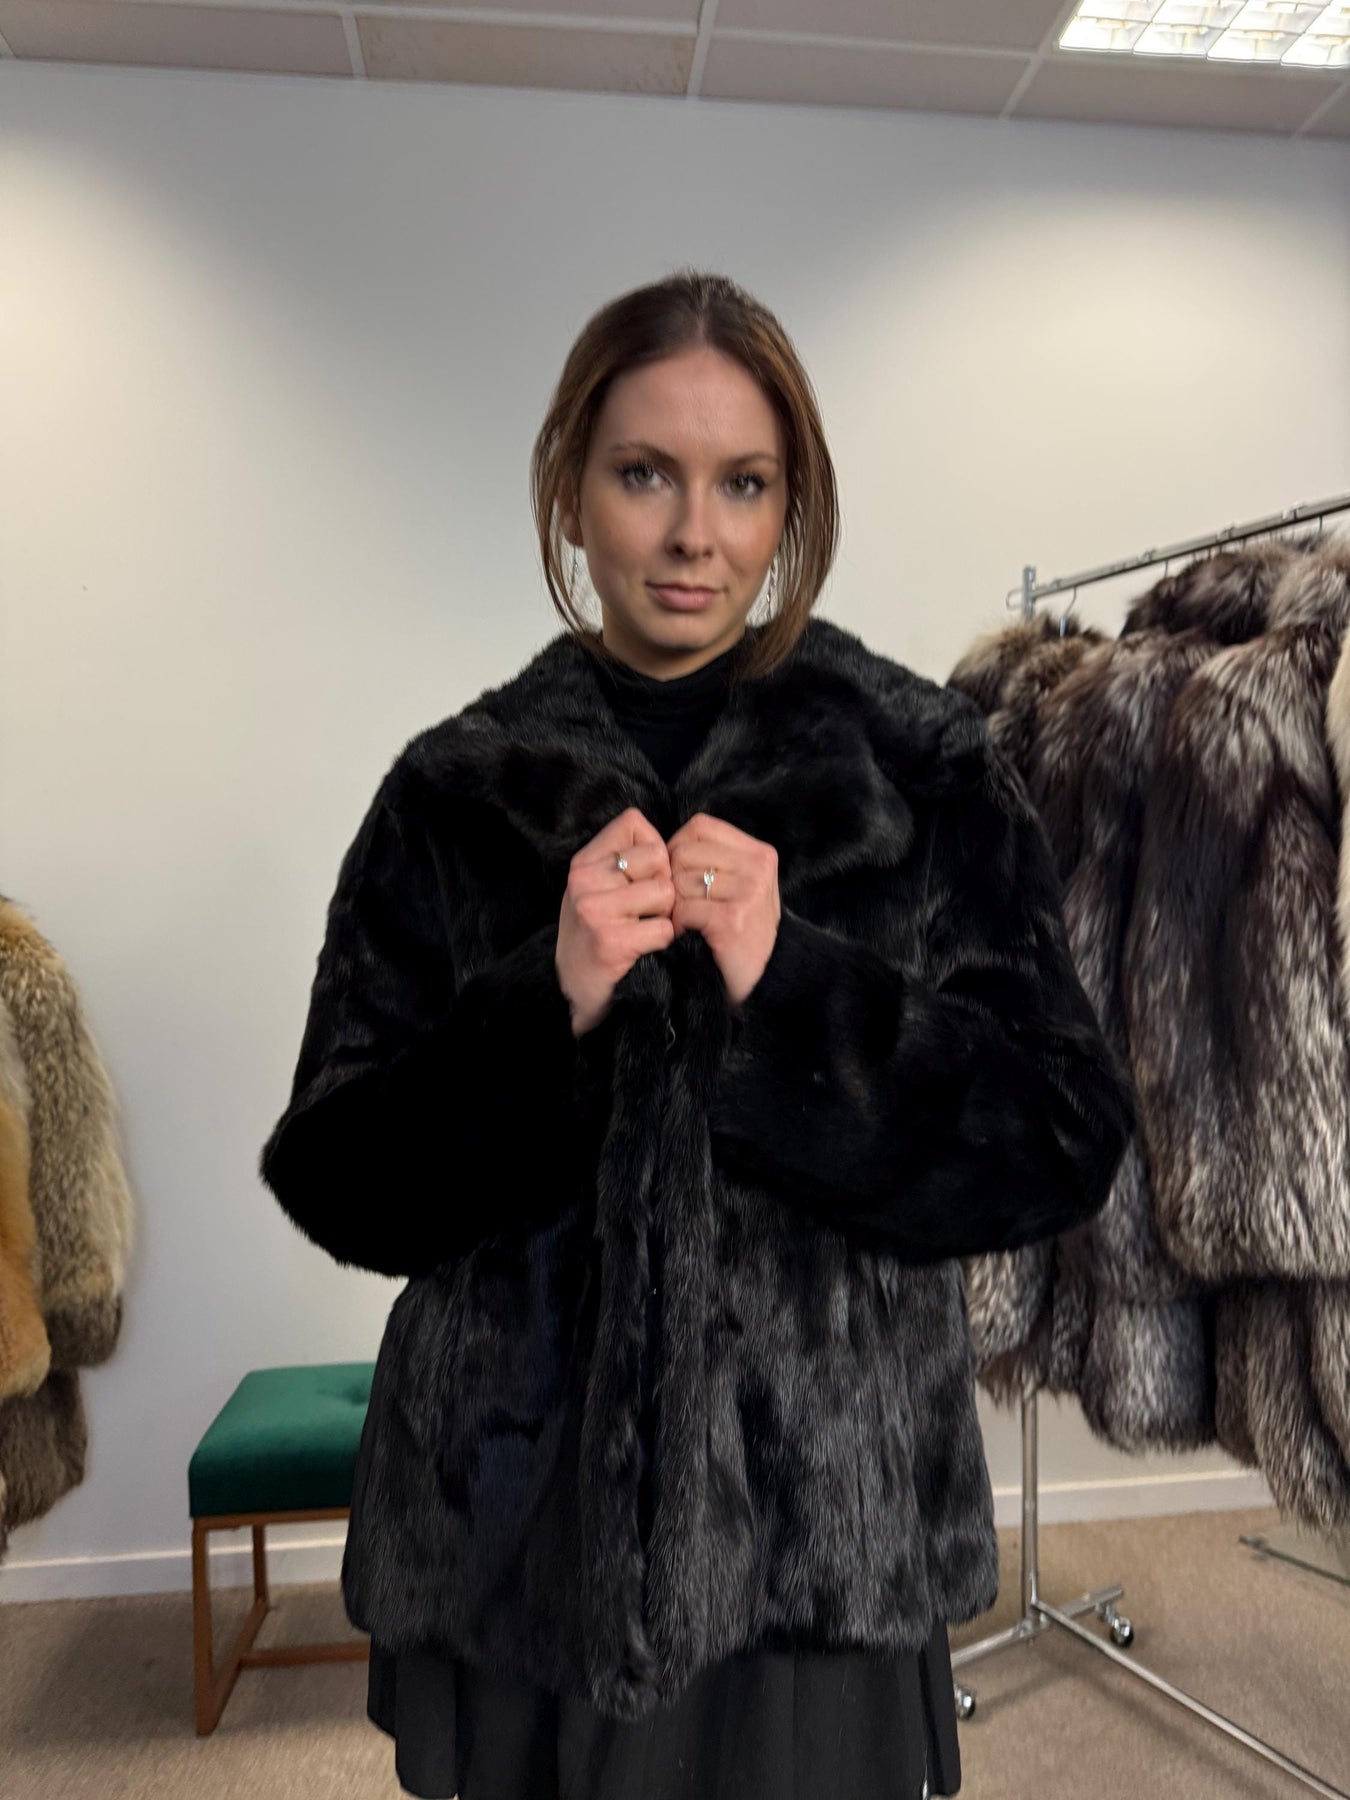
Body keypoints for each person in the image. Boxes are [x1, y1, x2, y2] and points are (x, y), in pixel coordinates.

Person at [259, 269, 1133, 1799]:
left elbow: (1056, 1140)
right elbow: (339, 1175)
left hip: (819, 1532)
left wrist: (793, 992)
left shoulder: (920, 767)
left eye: (742, 484)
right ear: (569, 489)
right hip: (512, 1531)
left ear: (790, 505)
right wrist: (545, 1008)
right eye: (643, 474)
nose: (693, 535)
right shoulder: (456, 792)